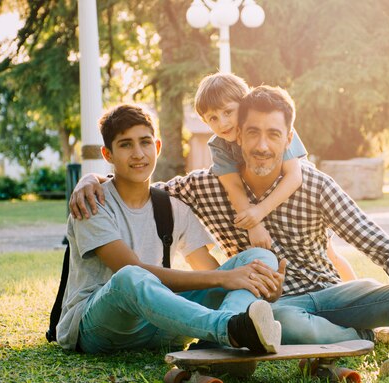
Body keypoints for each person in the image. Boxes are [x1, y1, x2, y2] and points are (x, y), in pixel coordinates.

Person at [70, 89, 389, 383]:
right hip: (279, 309)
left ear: (289, 138)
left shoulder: (315, 184)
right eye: (252, 134)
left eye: (273, 134)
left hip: (330, 294)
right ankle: (260, 333)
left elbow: (375, 240)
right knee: (271, 297)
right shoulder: (204, 187)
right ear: (236, 137)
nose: (262, 145)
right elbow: (139, 182)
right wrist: (90, 179)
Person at [58, 103, 284, 355]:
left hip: (160, 325)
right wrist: (224, 277)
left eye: (145, 143)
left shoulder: (173, 206)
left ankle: (218, 343)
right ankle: (230, 330)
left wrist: (258, 286)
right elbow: (130, 270)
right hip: (103, 326)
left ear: (157, 147)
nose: (138, 154)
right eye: (125, 144)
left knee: (260, 259)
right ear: (107, 154)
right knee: (129, 276)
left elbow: (207, 270)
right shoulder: (91, 203)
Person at [193, 72, 357, 280]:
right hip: (261, 199)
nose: (222, 123)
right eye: (212, 118)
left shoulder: (273, 126)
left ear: (243, 108)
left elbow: (294, 177)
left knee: (328, 252)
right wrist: (254, 225)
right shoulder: (219, 145)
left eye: (228, 112)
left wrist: (259, 212)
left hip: (298, 197)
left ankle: (353, 288)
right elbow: (233, 185)